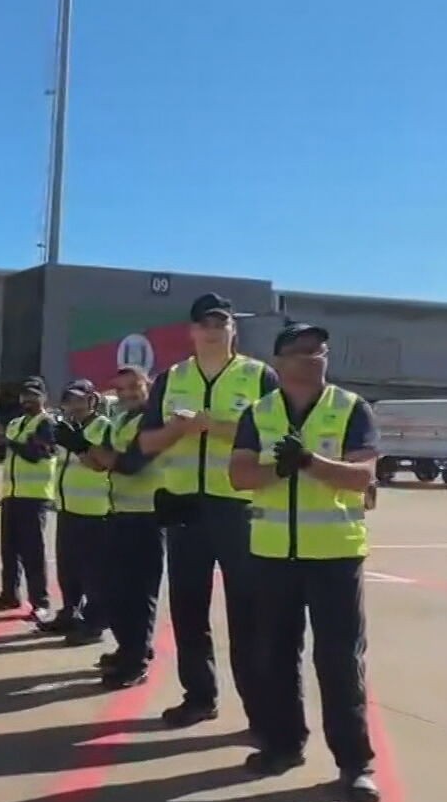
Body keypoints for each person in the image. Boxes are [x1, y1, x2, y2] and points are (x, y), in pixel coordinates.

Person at [230, 323, 381, 802]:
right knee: (275, 655)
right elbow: (240, 475)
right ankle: (284, 743)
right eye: (300, 350)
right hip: (274, 554)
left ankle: (355, 765)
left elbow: (364, 478)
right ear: (279, 362)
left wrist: (312, 462)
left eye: (320, 349)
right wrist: (283, 467)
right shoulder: (259, 413)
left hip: (334, 554)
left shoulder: (351, 408)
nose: (314, 356)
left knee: (339, 663)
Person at [136, 292, 280, 730]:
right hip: (184, 506)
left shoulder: (259, 377)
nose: (213, 330)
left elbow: (276, 438)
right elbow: (146, 443)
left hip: (240, 508)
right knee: (188, 608)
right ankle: (199, 695)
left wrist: (209, 426)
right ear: (192, 331)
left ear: (233, 329)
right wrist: (178, 430)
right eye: (205, 323)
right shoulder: (171, 378)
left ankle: (262, 713)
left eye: (221, 323)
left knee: (249, 614)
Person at [97, 366, 163, 689]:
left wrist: (93, 451)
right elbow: (105, 461)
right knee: (115, 591)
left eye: (133, 387)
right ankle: (130, 648)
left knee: (138, 594)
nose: (126, 395)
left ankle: (135, 661)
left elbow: (130, 464)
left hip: (147, 515)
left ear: (147, 385)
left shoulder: (153, 421)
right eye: (120, 389)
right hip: (120, 511)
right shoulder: (121, 420)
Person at [0, 375, 58, 618]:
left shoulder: (46, 423)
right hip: (11, 495)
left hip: (34, 497)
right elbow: (5, 454)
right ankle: (9, 594)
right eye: (25, 395)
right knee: (9, 550)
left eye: (33, 395)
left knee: (33, 552)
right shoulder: (16, 423)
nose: (28, 400)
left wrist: (9, 442)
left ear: (43, 398)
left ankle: (41, 601)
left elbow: (35, 454)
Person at [45, 379, 109, 640]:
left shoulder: (102, 426)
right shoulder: (66, 428)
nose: (74, 405)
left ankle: (94, 622)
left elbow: (99, 464)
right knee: (68, 568)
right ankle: (70, 612)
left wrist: (78, 445)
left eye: (79, 399)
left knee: (93, 572)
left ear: (92, 400)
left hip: (95, 510)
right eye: (69, 400)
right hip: (68, 507)